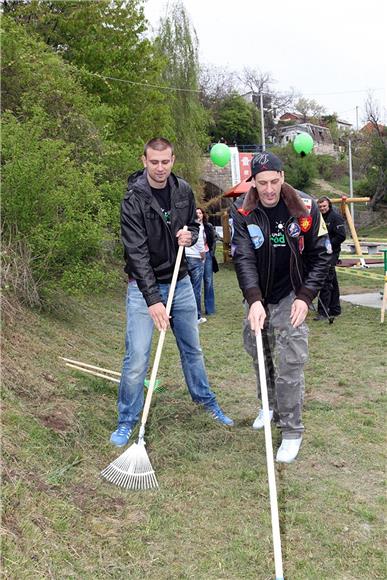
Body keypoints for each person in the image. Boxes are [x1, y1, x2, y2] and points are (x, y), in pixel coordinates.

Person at [110, 137, 234, 447]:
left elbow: (194, 225)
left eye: (165, 161)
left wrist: (189, 234)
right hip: (143, 288)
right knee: (137, 356)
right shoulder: (133, 198)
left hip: (179, 284)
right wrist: (153, 300)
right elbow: (136, 253)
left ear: (173, 160)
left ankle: (207, 403)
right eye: (154, 162)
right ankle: (127, 419)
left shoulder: (182, 191)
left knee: (192, 349)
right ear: (144, 161)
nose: (160, 167)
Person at [231, 151, 331, 463]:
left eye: (275, 181)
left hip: (292, 293)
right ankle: (269, 406)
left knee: (290, 363)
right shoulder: (241, 210)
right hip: (260, 294)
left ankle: (291, 431)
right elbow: (243, 256)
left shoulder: (307, 208)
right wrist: (253, 299)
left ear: (283, 177)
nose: (270, 189)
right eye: (263, 183)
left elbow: (323, 254)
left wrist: (305, 296)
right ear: (254, 183)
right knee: (260, 356)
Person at [315, 196, 347, 320]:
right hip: (322, 253)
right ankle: (335, 308)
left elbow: (341, 236)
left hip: (332, 253)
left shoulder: (336, 217)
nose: (322, 208)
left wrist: (328, 244)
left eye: (324, 206)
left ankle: (323, 312)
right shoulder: (319, 217)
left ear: (329, 205)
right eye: (320, 207)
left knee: (325, 281)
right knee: (332, 281)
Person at [185, 209, 207, 324]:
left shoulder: (184, 225)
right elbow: (200, 243)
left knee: (185, 288)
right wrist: (203, 256)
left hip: (185, 257)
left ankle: (187, 315)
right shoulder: (198, 227)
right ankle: (197, 316)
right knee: (196, 289)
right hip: (195, 258)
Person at [197, 207, 217, 317]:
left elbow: (213, 240)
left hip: (207, 255)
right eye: (197, 213)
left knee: (208, 281)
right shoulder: (192, 226)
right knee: (197, 283)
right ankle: (197, 310)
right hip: (196, 257)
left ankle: (210, 309)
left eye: (200, 213)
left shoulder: (208, 226)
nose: (198, 215)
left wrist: (212, 253)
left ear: (203, 215)